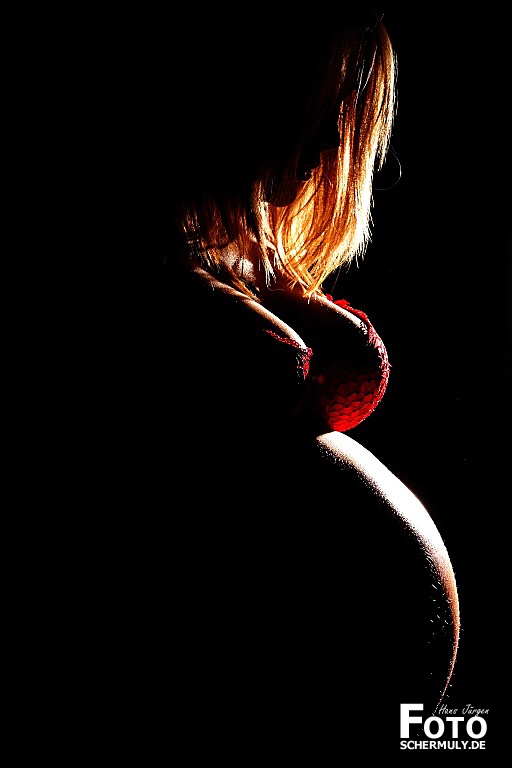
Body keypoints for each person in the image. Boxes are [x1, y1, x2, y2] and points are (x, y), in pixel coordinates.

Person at [6, 4, 460, 763]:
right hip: (219, 684)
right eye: (320, 105)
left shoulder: (231, 255)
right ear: (250, 91)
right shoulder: (116, 263)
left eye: (346, 116)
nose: (333, 144)